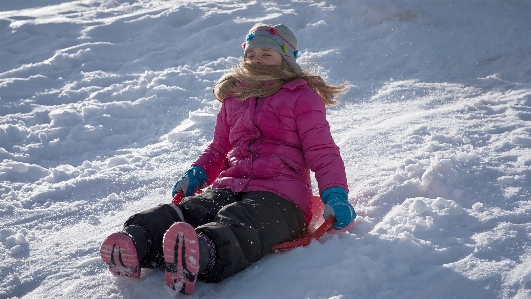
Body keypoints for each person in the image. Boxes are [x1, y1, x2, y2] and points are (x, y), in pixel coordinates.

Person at [99, 23, 356, 295]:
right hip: (231, 185)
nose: (257, 60)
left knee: (244, 220)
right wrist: (197, 173)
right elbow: (219, 147)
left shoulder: (302, 97)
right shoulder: (235, 96)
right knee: (193, 209)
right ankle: (138, 240)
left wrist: (335, 194)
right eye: (252, 54)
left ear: (287, 58)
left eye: (267, 54)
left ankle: (202, 252)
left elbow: (322, 150)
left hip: (281, 197)